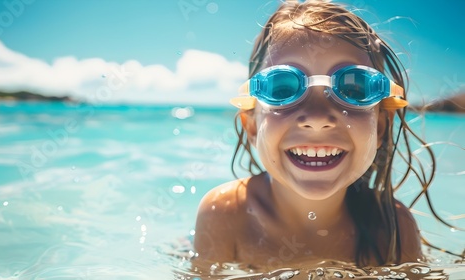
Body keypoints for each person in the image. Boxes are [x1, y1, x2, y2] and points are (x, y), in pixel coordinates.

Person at [192, 0, 452, 271]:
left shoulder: (393, 230)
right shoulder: (225, 214)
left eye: (354, 88)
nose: (317, 119)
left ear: (380, 128)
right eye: (282, 89)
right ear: (253, 127)